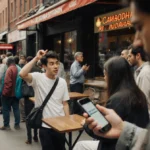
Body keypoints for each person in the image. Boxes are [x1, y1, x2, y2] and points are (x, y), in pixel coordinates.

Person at [84, 0, 150, 149]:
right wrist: (123, 129)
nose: (137, 42)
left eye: (140, 27)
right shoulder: (135, 93)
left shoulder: (119, 98)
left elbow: (103, 132)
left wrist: (87, 126)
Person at [74, 56, 149, 150]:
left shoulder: (117, 99)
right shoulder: (139, 94)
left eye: (105, 74)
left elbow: (105, 133)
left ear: (113, 76)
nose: (104, 78)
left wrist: (86, 125)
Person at [19, 50, 70, 150]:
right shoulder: (38, 78)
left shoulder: (62, 82)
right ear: (44, 66)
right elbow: (22, 74)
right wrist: (36, 58)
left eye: (57, 63)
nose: (55, 66)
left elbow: (65, 104)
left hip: (60, 125)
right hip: (45, 126)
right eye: (51, 64)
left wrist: (67, 122)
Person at [23, 56, 42, 144]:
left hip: (28, 96)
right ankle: (35, 136)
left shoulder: (26, 71)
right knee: (37, 115)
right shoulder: (39, 70)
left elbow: (22, 79)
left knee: (28, 117)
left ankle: (29, 138)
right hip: (38, 96)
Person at [0, 56, 20, 130]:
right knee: (16, 109)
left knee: (5, 109)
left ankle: (6, 125)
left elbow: (8, 83)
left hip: (9, 94)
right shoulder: (18, 68)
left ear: (8, 62)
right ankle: (17, 125)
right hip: (16, 93)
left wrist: (4, 93)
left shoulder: (9, 69)